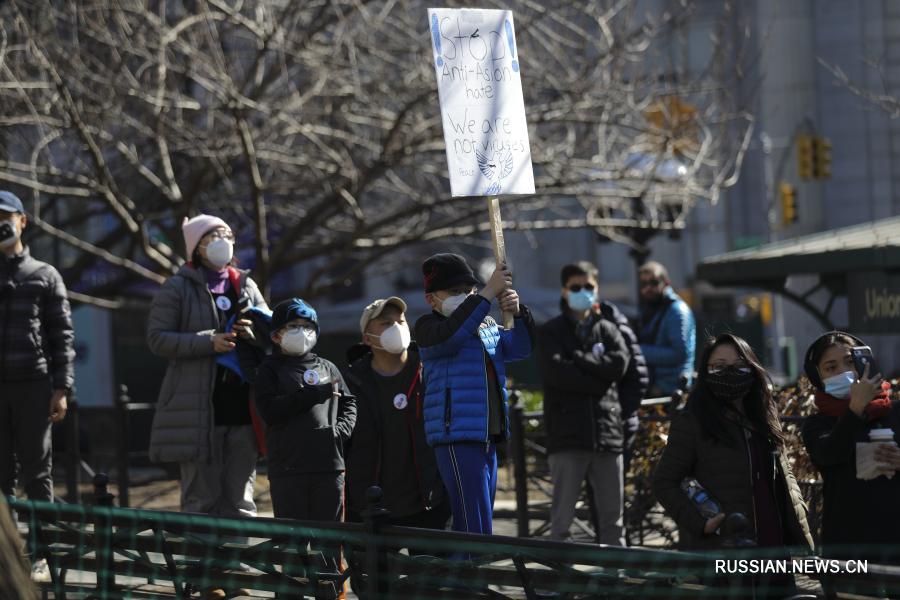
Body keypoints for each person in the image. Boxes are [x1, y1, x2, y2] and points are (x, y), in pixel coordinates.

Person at [653, 334, 812, 596]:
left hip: (773, 545)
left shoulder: (762, 414)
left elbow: (785, 475)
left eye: (739, 365)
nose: (729, 372)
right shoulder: (692, 420)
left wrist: (798, 526)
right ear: (705, 372)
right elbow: (664, 482)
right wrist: (700, 523)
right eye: (719, 365)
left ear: (752, 369)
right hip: (726, 548)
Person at [147, 214, 267, 523]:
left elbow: (270, 333)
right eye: (211, 238)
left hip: (241, 406)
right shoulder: (177, 287)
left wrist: (253, 333)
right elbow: (157, 339)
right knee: (201, 499)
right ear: (196, 248)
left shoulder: (246, 284)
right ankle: (202, 565)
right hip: (198, 409)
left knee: (241, 498)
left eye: (226, 234)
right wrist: (207, 342)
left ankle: (239, 564)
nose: (221, 242)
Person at [415, 253, 534, 536]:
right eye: (455, 292)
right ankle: (471, 576)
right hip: (456, 433)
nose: (466, 297)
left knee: (481, 519)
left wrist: (518, 312)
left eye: (468, 291)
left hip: (486, 434)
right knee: (472, 521)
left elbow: (520, 348)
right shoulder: (428, 328)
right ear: (431, 299)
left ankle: (471, 575)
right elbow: (452, 335)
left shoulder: (486, 327)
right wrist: (488, 293)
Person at [0, 190, 74, 581]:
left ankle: (41, 555)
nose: (1, 222)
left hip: (33, 385)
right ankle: (7, 556)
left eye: (6, 216)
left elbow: (62, 335)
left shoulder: (44, 274)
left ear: (22, 220)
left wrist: (62, 388)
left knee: (37, 472)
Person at [254, 298, 356, 579]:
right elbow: (270, 411)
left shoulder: (328, 367)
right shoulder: (269, 370)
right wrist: (311, 396)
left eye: (308, 326)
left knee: (330, 545)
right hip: (289, 469)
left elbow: (349, 402)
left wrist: (341, 431)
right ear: (276, 335)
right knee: (292, 548)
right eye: (293, 326)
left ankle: (332, 592)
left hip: (329, 467)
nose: (302, 331)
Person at [538, 262, 633, 544]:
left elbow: (619, 366)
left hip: (607, 436)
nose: (583, 292)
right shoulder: (551, 331)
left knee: (613, 522)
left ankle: (614, 581)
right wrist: (597, 373)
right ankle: (560, 582)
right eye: (576, 287)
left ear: (597, 288)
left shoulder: (608, 329)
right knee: (562, 522)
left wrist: (578, 359)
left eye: (589, 287)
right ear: (564, 291)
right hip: (567, 437)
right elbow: (557, 374)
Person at [343, 296, 450, 529]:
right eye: (385, 323)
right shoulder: (351, 382)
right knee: (373, 567)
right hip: (372, 509)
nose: (396, 328)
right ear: (367, 338)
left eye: (400, 321)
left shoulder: (429, 371)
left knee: (431, 566)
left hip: (428, 504)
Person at [801, 331, 900, 572]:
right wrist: (855, 409)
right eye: (830, 367)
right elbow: (828, 454)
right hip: (850, 544)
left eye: (849, 362)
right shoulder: (818, 424)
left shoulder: (894, 411)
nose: (844, 372)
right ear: (818, 376)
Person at [636, 261, 696, 396]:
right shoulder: (651, 308)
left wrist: (637, 351)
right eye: (644, 284)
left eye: (654, 283)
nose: (648, 288)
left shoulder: (677, 310)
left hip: (672, 391)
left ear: (666, 283)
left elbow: (679, 354)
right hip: (655, 387)